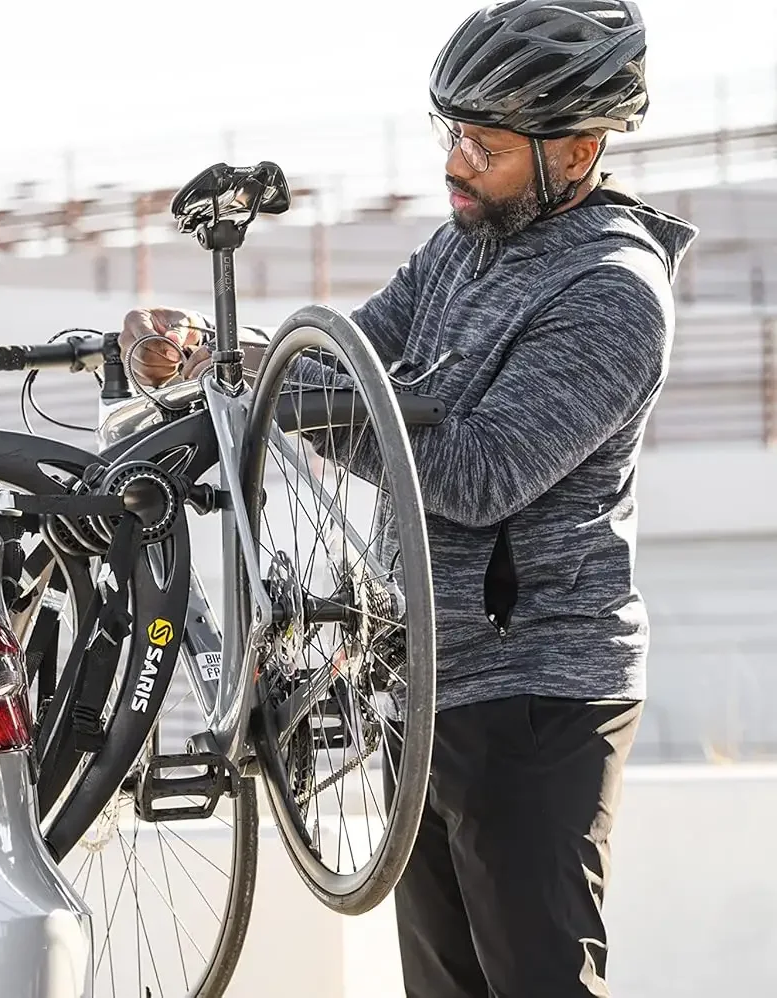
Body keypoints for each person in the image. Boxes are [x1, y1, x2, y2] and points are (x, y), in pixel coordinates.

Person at [119, 2, 696, 995]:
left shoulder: (614, 290)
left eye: (484, 142)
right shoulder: (459, 249)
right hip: (423, 680)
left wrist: (313, 406)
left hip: (537, 691)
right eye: (452, 132)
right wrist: (215, 359)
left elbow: (474, 473)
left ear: (580, 147)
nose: (456, 163)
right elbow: (342, 358)